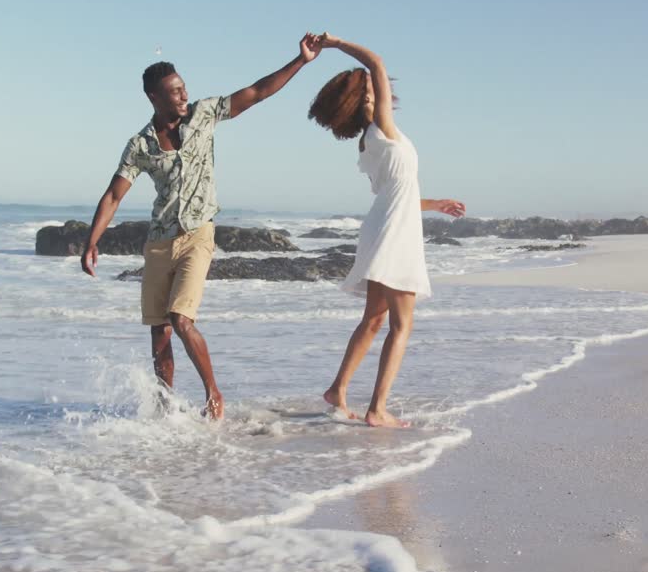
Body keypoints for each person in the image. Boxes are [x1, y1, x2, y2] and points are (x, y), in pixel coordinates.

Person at [81, 33, 325, 420]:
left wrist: (301, 61)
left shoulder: (204, 114)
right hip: (159, 243)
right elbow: (113, 195)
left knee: (181, 320)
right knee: (159, 331)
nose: (183, 96)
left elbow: (258, 91)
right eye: (174, 92)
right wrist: (91, 241)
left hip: (199, 235)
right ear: (154, 98)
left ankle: (213, 395)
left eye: (183, 89)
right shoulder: (140, 145)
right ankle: (164, 406)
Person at [309, 33, 465, 427]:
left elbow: (396, 194)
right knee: (400, 324)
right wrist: (335, 42)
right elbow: (377, 61)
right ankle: (377, 409)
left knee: (375, 319)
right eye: (367, 91)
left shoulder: (371, 141)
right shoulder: (381, 129)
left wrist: (434, 204)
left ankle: (337, 390)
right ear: (360, 101)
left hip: (387, 224)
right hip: (394, 232)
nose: (374, 92)